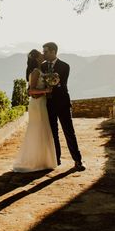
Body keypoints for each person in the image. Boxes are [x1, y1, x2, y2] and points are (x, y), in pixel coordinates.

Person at [41, 42, 85, 171]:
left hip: (62, 103)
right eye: (43, 52)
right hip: (48, 104)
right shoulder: (42, 67)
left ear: (54, 51)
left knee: (69, 132)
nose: (44, 54)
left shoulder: (65, 66)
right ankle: (57, 159)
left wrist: (49, 83)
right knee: (53, 133)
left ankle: (78, 160)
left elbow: (61, 83)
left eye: (46, 51)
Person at [13, 49, 58, 172]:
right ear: (37, 58)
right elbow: (31, 91)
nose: (43, 54)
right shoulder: (36, 71)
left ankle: (42, 160)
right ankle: (34, 161)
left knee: (42, 130)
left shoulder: (39, 70)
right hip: (37, 104)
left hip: (41, 103)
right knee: (38, 130)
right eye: (41, 53)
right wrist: (46, 91)